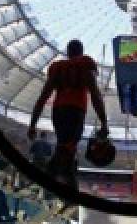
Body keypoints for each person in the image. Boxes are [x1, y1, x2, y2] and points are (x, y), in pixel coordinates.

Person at [26, 39, 109, 186]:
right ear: (81, 52)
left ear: (68, 52)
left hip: (58, 112)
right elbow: (95, 95)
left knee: (64, 148)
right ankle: (63, 187)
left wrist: (32, 124)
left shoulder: (57, 68)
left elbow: (42, 97)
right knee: (67, 152)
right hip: (75, 112)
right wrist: (103, 121)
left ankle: (52, 182)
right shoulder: (85, 65)